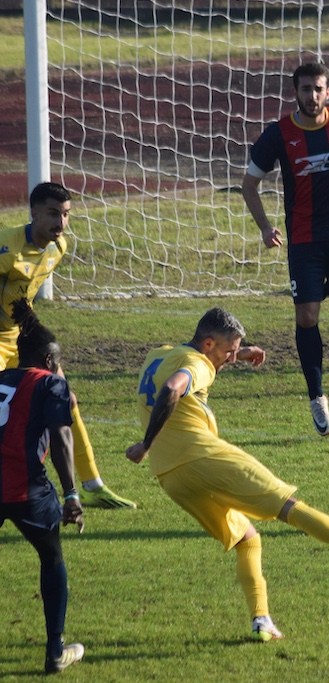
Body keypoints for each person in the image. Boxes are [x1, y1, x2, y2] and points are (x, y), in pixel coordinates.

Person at [125, 308, 329, 642]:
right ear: (208, 344)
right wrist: (146, 443)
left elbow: (175, 375)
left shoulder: (159, 355)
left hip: (170, 476)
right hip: (204, 457)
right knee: (290, 507)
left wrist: (238, 353)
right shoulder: (198, 366)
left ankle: (261, 621)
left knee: (248, 539)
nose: (232, 357)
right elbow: (175, 388)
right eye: (230, 351)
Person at [241, 62, 329, 438]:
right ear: (294, 93)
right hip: (304, 239)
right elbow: (249, 184)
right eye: (304, 89)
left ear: (328, 91)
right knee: (308, 318)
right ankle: (316, 397)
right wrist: (266, 227)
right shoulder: (279, 134)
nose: (311, 96)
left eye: (318, 89)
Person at [0, 182, 136, 509]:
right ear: (33, 213)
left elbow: (24, 297)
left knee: (66, 396)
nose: (60, 222)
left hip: (21, 338)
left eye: (65, 214)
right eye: (52, 214)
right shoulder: (7, 247)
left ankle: (90, 485)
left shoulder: (57, 248)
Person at [0, 299, 85, 674]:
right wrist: (71, 494)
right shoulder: (50, 383)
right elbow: (62, 438)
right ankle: (55, 651)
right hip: (25, 490)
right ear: (51, 362)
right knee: (51, 557)